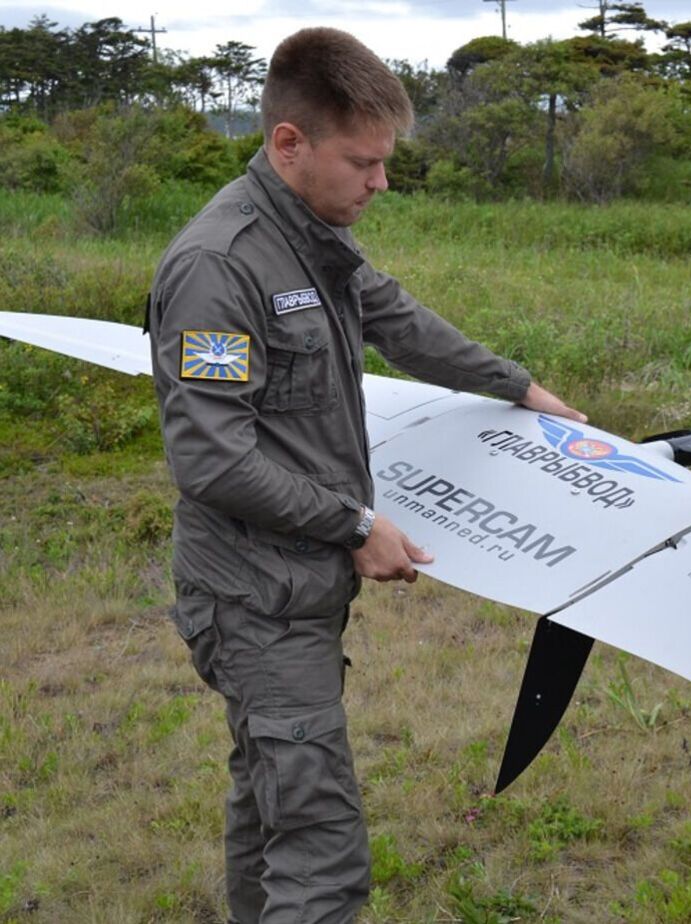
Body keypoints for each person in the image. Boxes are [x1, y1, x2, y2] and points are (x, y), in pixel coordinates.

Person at [148, 27, 583, 922]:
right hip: (254, 601)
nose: (381, 182)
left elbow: (397, 318)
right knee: (322, 851)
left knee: (269, 794)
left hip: (291, 588)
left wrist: (519, 386)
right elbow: (211, 456)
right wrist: (352, 525)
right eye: (363, 162)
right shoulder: (219, 268)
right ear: (289, 144)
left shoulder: (314, 238)